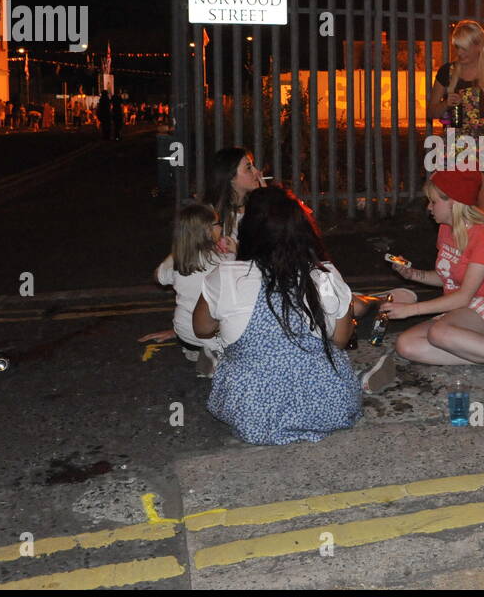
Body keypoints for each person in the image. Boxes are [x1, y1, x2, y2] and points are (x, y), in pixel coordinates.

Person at [194, 185, 361, 445]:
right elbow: (339, 341)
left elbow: (201, 329)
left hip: (253, 415)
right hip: (328, 408)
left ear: (248, 231)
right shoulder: (324, 275)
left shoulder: (226, 276)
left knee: (224, 347)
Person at [379, 169, 484, 388]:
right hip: (461, 310)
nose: (429, 207)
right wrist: (413, 274)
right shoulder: (445, 229)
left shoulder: (483, 234)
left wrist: (411, 309)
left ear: (454, 202)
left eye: (433, 202)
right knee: (406, 345)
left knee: (439, 332)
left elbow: (463, 296)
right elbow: (447, 279)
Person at [427, 20, 484, 215]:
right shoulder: (446, 72)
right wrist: (445, 104)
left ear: (478, 46)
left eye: (465, 48)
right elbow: (431, 112)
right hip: (454, 144)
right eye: (457, 47)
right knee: (455, 207)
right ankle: (456, 245)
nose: (460, 53)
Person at [146, 203, 227, 376]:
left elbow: (158, 276)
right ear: (207, 231)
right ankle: (214, 355)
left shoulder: (178, 263)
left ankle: (197, 352)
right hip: (208, 334)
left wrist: (176, 252)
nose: (221, 227)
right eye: (218, 224)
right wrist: (234, 250)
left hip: (184, 334)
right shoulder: (222, 261)